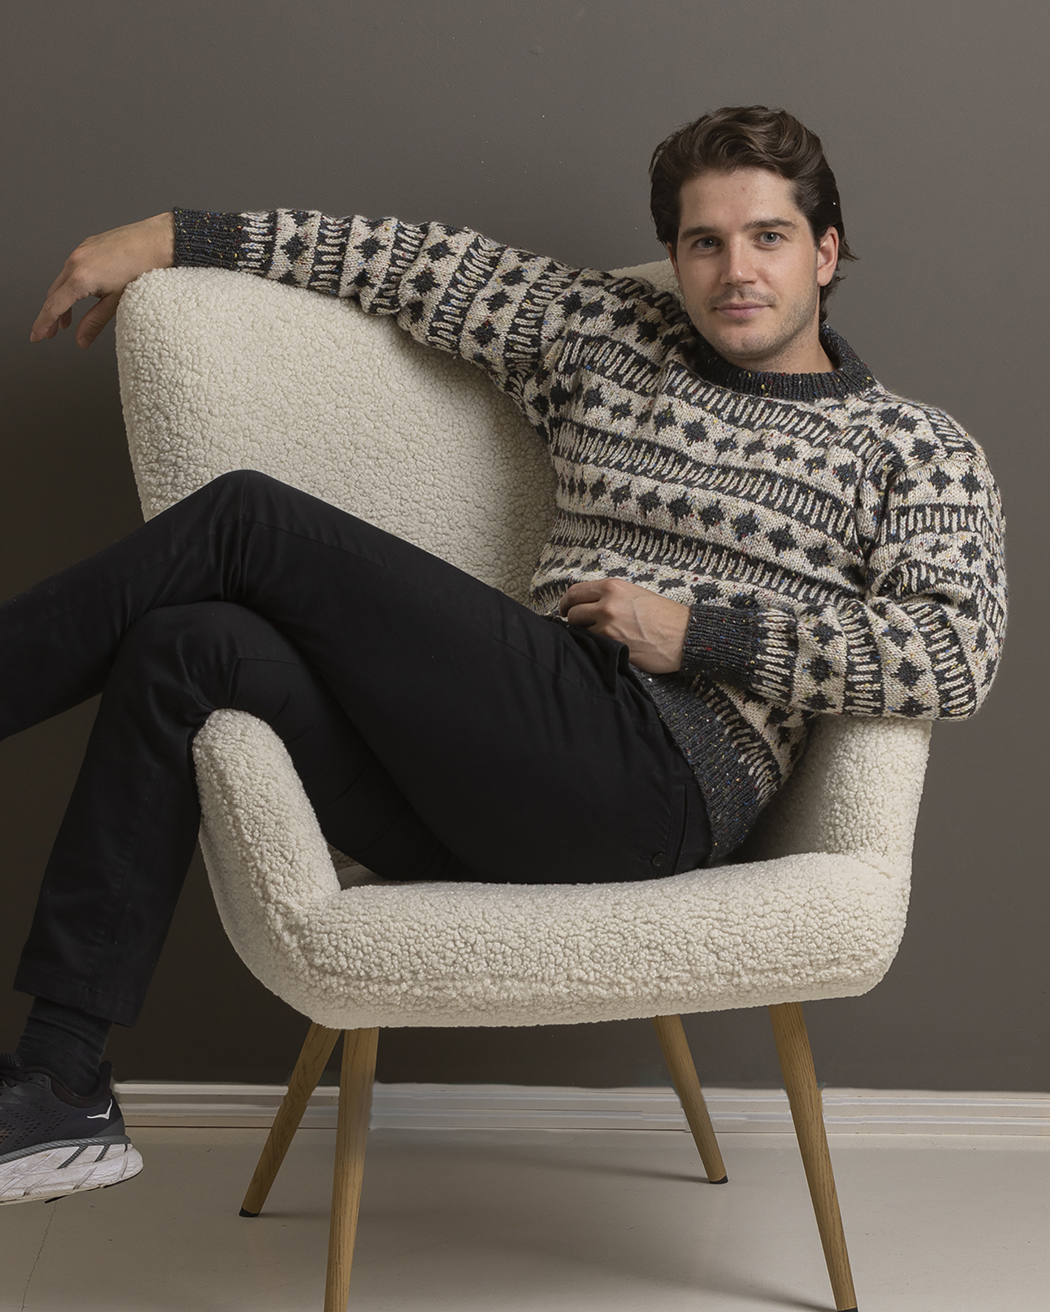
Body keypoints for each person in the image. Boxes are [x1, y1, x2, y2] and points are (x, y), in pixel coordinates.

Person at [1, 106, 1006, 1206]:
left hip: (654, 780)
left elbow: (953, 654)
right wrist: (173, 236)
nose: (736, 271)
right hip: (494, 778)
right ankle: (62, 1085)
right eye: (704, 242)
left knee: (247, 519)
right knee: (186, 644)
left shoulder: (914, 449)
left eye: (768, 237)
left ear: (825, 251)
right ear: (674, 256)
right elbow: (409, 264)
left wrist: (696, 632)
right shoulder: (606, 333)